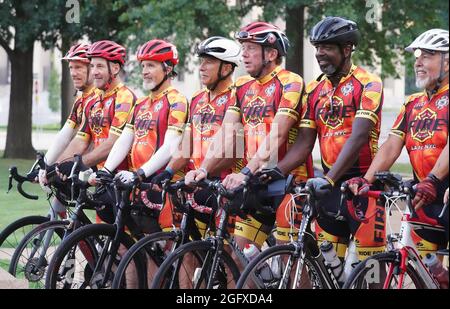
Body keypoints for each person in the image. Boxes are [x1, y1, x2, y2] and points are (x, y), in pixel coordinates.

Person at [186, 21, 313, 251]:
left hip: (288, 182)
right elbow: (227, 132)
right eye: (243, 48)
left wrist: (245, 172)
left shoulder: (290, 82)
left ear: (272, 53)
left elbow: (278, 133)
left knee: (289, 260)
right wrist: (204, 168)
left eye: (251, 48)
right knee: (241, 256)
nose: (244, 54)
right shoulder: (242, 86)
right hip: (255, 181)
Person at [275, 16, 385, 262]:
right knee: (328, 268)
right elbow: (304, 143)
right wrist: (276, 171)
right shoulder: (314, 91)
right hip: (329, 189)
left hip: (364, 188)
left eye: (327, 48)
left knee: (371, 270)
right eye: (317, 48)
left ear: (347, 50)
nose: (319, 54)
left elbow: (358, 137)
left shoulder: (369, 84)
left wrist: (329, 178)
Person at [348, 29, 449, 256]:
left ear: (447, 63)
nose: (418, 62)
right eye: (417, 56)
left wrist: (433, 179)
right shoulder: (412, 103)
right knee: (424, 272)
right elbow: (391, 146)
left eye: (428, 55)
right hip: (424, 198)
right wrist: (367, 179)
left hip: (443, 192)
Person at [89, 39, 188, 229]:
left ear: (167, 68)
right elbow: (124, 140)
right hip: (138, 184)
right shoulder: (140, 104)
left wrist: (140, 174)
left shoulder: (178, 101)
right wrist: (106, 171)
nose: (144, 71)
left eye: (151, 65)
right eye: (143, 66)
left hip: (163, 187)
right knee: (136, 250)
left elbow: (170, 146)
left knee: (168, 252)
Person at [152, 36, 242, 236]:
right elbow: (187, 144)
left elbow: (236, 149)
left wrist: (205, 171)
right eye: (201, 61)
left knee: (227, 258)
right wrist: (167, 172)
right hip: (197, 182)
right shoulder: (196, 98)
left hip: (223, 185)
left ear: (226, 68)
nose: (202, 67)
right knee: (189, 251)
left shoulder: (237, 96)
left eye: (209, 61)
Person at [36, 42, 95, 217]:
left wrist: (55, 166)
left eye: (78, 67)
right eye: (71, 68)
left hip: (103, 165)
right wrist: (44, 165)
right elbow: (65, 134)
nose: (73, 73)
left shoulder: (97, 99)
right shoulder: (80, 100)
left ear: (91, 68)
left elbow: (85, 142)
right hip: (86, 163)